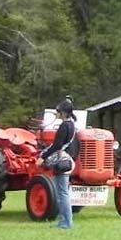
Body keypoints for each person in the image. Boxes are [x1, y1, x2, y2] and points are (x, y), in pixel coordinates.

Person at [37, 97, 79, 230]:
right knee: (63, 192)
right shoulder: (72, 125)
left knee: (62, 194)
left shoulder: (65, 125)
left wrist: (43, 156)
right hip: (68, 159)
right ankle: (65, 221)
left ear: (64, 113)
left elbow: (56, 145)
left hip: (62, 160)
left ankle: (66, 223)